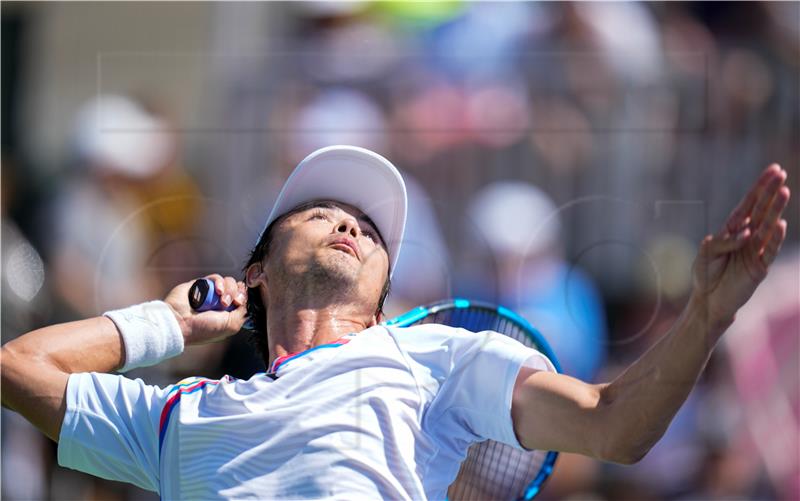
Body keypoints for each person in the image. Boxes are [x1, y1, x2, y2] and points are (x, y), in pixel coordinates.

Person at [0, 145, 791, 500]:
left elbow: (615, 427)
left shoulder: (435, 358)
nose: (352, 227)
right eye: (320, 213)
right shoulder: (180, 418)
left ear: (383, 298)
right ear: (256, 273)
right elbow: (19, 368)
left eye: (371, 230)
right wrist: (168, 324)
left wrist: (707, 315)